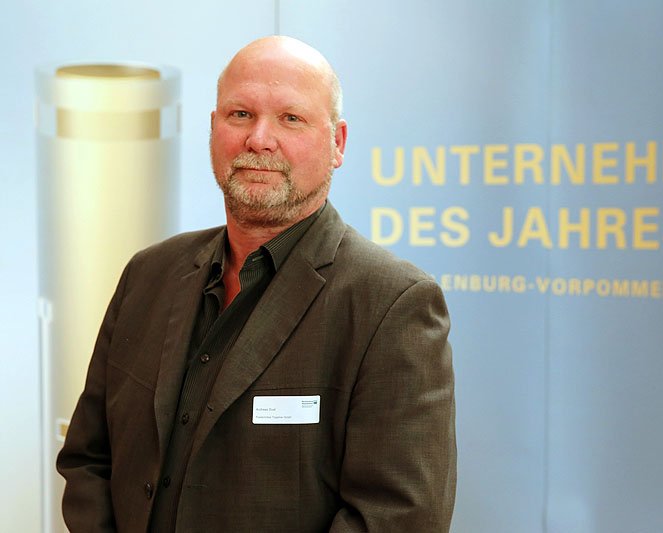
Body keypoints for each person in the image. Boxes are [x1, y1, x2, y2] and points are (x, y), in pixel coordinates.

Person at [56, 36, 456, 532]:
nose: (259, 139)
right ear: (213, 128)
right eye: (240, 114)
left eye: (291, 118)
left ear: (337, 143)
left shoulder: (392, 304)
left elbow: (399, 517)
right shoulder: (148, 273)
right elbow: (88, 460)